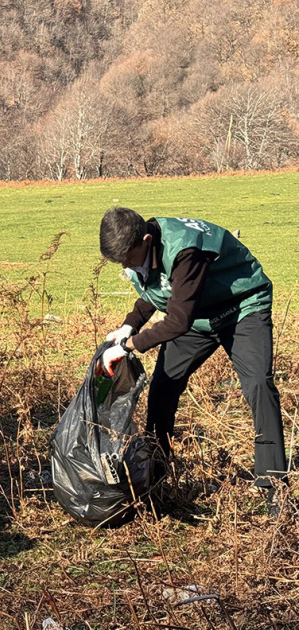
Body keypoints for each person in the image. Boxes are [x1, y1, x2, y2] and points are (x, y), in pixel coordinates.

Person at [98, 208, 284, 512]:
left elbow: (177, 321)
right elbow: (157, 288)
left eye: (127, 258)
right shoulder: (142, 249)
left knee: (259, 386)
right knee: (162, 387)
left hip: (242, 308)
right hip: (198, 316)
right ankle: (156, 476)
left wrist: (131, 345)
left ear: (146, 239)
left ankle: (274, 486)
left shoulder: (186, 251)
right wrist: (130, 324)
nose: (124, 265)